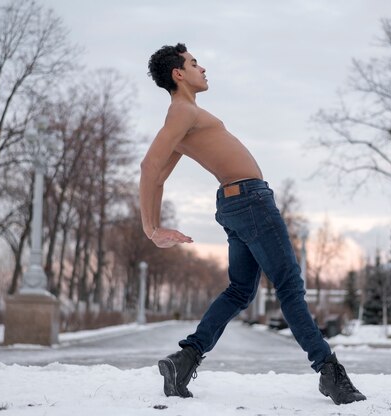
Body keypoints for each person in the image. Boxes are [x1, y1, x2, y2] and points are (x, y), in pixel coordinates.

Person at [140, 43, 366, 406]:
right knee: (289, 287)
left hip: (235, 203)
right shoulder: (181, 112)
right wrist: (151, 229)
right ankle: (330, 373)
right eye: (195, 64)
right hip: (250, 200)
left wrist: (152, 227)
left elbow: (158, 176)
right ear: (178, 74)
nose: (203, 68)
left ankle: (185, 361)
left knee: (240, 290)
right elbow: (149, 167)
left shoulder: (184, 119)